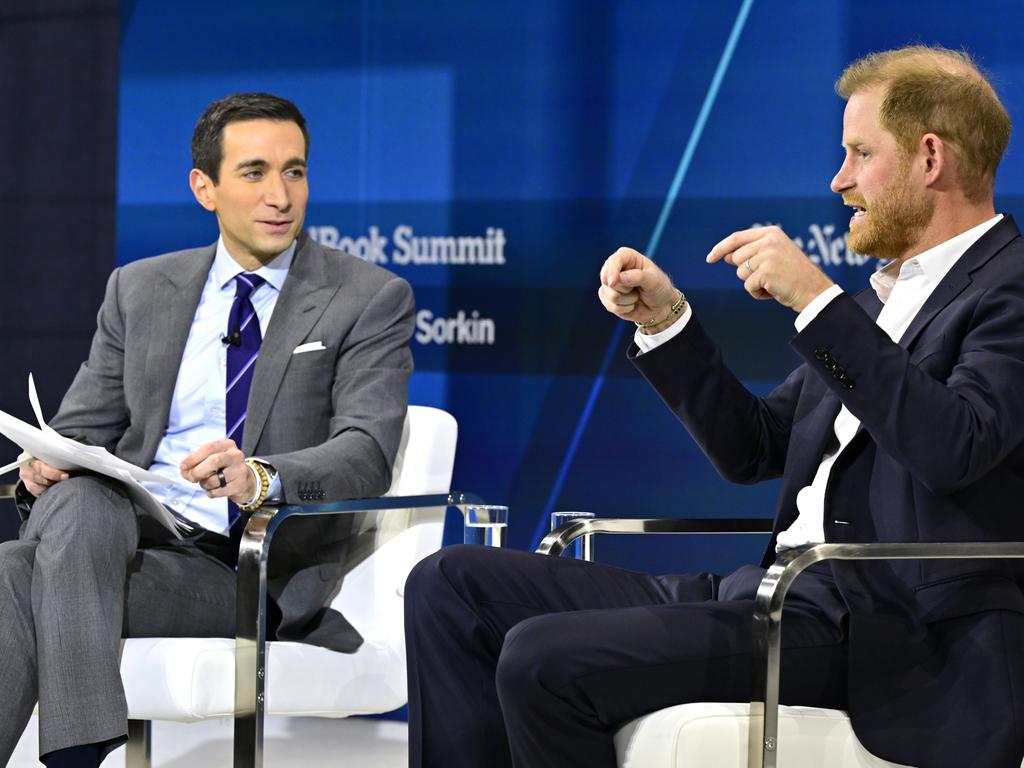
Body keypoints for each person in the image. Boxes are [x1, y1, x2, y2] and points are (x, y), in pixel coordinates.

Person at [404, 45, 1024, 768]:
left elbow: (957, 444)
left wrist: (816, 301)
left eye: (859, 153)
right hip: (771, 594)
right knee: (451, 584)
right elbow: (754, 448)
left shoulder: (1005, 289)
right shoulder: (881, 302)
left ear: (928, 158)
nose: (840, 179)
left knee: (543, 656)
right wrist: (665, 322)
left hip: (889, 628)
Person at [0, 93, 414, 767]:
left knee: (10, 573)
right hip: (126, 539)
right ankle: (78, 754)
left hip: (246, 570)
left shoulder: (366, 297)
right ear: (205, 187)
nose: (280, 195)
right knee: (73, 497)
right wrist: (43, 464)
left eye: (296, 171)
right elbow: (77, 429)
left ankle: (76, 757)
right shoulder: (140, 290)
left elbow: (364, 453)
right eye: (254, 172)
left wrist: (260, 476)